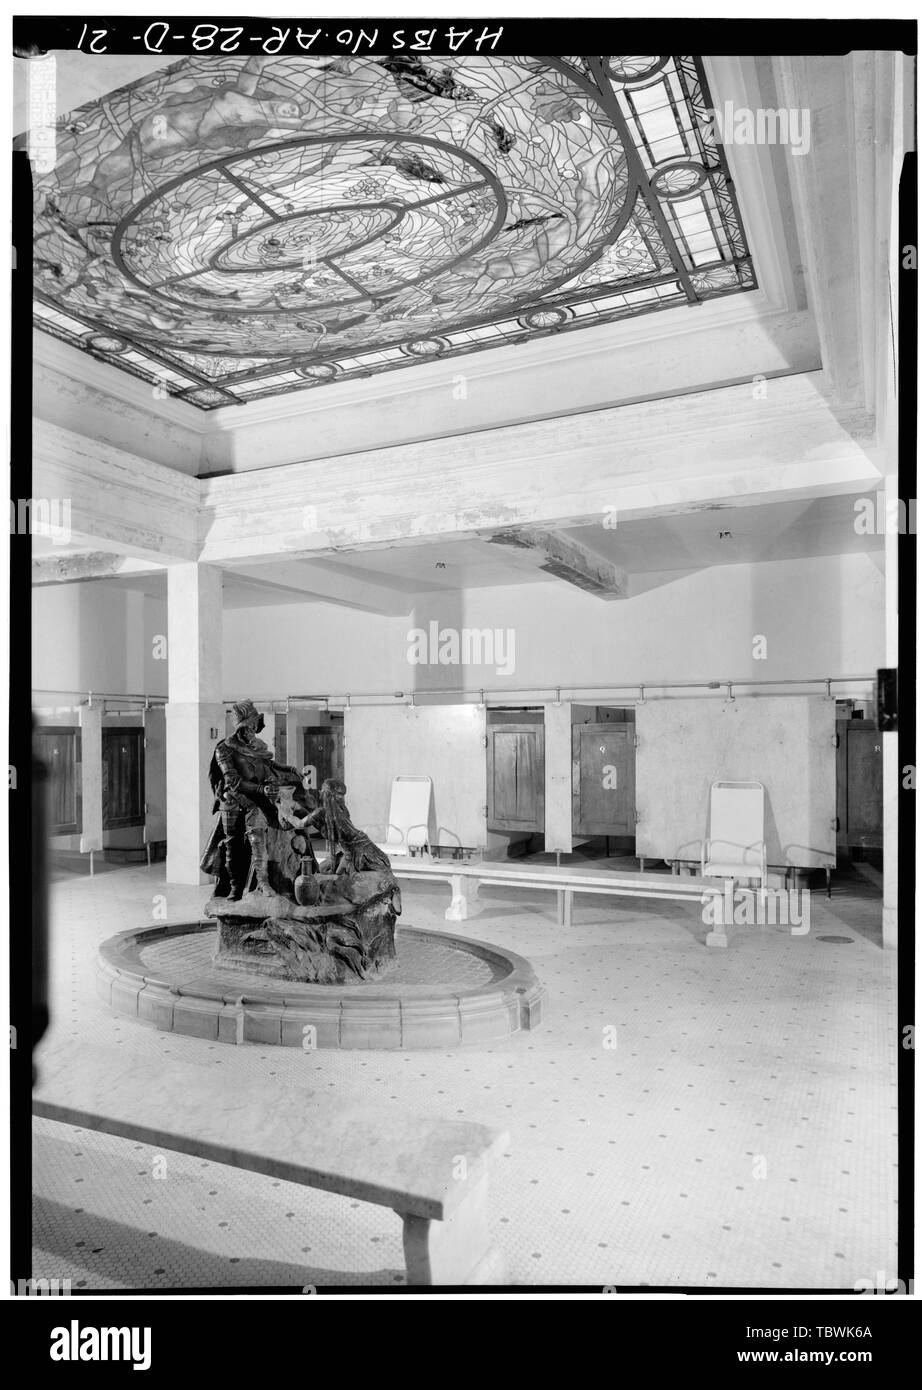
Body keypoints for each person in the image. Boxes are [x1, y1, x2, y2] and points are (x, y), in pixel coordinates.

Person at [200, 699, 315, 899]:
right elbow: (233, 781)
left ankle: (274, 881)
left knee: (282, 829)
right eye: (249, 725)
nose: (253, 728)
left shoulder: (257, 746)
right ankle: (235, 888)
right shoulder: (224, 749)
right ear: (241, 727)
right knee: (233, 845)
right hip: (234, 802)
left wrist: (292, 770)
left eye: (255, 724)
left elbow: (269, 764)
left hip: (259, 801)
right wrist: (262, 789)